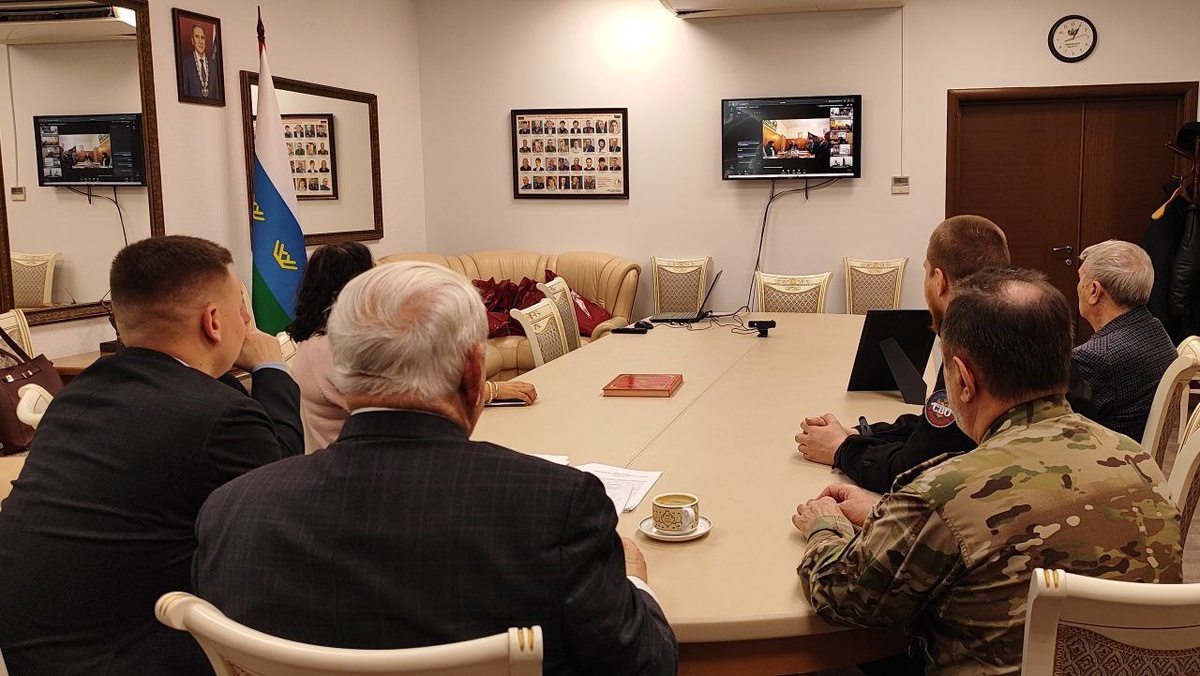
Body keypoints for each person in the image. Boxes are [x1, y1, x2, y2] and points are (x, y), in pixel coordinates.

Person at [195, 262, 678, 674]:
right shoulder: (556, 507)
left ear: (342, 370)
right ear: (473, 374)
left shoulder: (232, 511)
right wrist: (633, 580)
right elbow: (646, 665)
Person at [793, 267, 1182, 676]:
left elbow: (841, 596)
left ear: (963, 380)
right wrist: (887, 514)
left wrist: (826, 525)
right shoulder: (1138, 461)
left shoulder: (945, 493)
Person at [0, 236, 303, 675]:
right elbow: (284, 487)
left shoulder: (80, 393)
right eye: (241, 308)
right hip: (132, 655)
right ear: (213, 321)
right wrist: (272, 368)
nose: (246, 320)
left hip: (32, 652)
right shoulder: (219, 418)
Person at [795, 215, 1009, 493]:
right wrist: (862, 434)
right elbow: (937, 432)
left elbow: (911, 472)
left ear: (939, 281)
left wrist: (840, 448)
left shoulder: (968, 349)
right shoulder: (1004, 329)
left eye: (926, 271)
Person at [287, 244, 537, 449]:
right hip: (372, 467)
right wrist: (490, 390)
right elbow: (410, 400)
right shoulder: (328, 349)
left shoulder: (326, 339)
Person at [1074, 239, 1177, 440]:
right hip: (1136, 451)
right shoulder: (1156, 330)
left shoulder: (1094, 357)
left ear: (1094, 291)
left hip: (1105, 455)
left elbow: (1056, 426)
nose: (1078, 287)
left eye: (1080, 279)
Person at [181, 23, 221, 100]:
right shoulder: (186, 63)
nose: (200, 41)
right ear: (192, 41)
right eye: (197, 37)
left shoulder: (213, 65)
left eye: (202, 38)